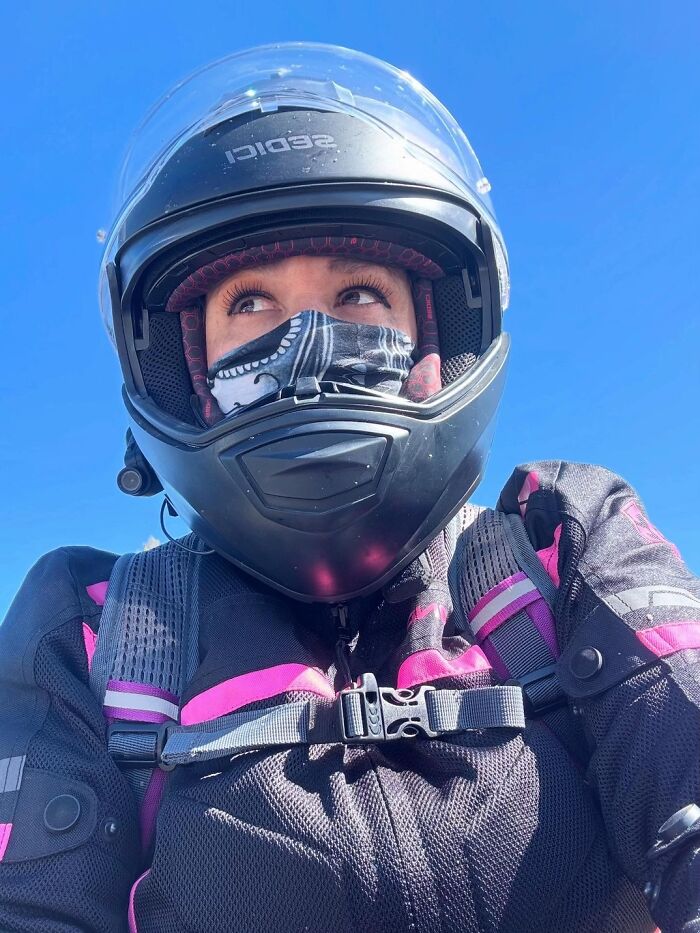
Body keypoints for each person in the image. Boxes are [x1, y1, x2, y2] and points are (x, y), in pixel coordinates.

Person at [0, 42, 698, 933]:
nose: (307, 346)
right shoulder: (97, 630)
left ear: (436, 335)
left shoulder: (557, 546)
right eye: (249, 303)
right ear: (189, 375)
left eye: (360, 291)